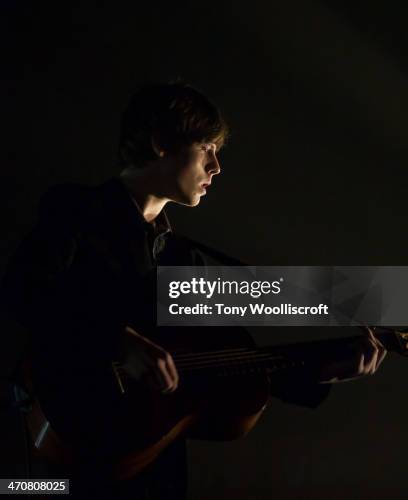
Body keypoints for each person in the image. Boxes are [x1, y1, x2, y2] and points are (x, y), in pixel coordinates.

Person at [1, 81, 387, 499]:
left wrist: (325, 370)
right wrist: (117, 341)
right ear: (162, 143)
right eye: (206, 147)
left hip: (150, 460)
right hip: (61, 455)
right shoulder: (75, 209)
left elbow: (221, 365)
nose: (216, 166)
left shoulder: (184, 259)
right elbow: (22, 291)